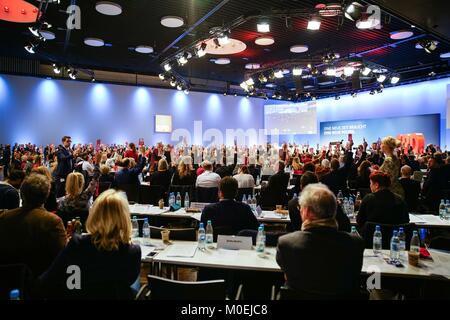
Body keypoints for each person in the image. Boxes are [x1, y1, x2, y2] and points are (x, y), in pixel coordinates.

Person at [39, 189, 141, 299]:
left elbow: (48, 279)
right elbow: (127, 281)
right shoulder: (133, 252)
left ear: (94, 214)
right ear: (125, 218)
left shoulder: (77, 244)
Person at [276, 183, 364, 296]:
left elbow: (288, 276)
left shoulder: (286, 243)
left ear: (306, 211)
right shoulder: (356, 244)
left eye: (300, 208)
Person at [0, 173, 66, 277]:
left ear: (22, 193)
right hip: (40, 280)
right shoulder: (52, 221)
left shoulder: (4, 217)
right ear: (46, 195)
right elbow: (61, 257)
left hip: (8, 279)